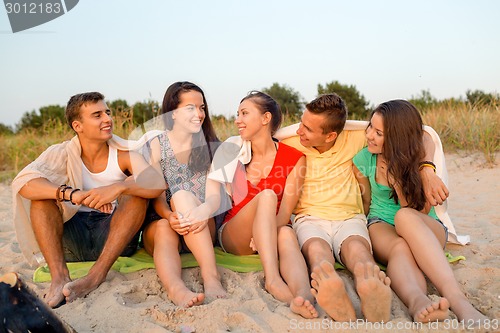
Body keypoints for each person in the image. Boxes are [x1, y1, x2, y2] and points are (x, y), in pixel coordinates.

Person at [12, 92, 164, 308]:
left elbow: (157, 182)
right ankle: (59, 277)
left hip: (113, 237)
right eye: (97, 115)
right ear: (78, 125)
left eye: (107, 112)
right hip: (72, 241)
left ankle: (96, 276)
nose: (107, 119)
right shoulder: (61, 153)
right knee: (42, 200)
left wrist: (118, 187)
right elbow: (24, 182)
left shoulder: (124, 155)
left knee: (135, 194)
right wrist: (75, 195)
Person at [352, 99, 487, 323]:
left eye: (378, 132)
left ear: (398, 138)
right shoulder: (364, 159)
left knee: (404, 216)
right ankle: (418, 302)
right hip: (381, 223)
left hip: (423, 223)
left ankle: (459, 301)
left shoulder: (419, 155)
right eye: (370, 128)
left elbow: (421, 210)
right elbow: (366, 203)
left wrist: (400, 179)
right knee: (400, 246)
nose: (369, 135)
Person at [199, 91, 318, 318]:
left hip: (271, 230)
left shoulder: (294, 159)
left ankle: (302, 296)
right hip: (235, 233)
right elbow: (212, 196)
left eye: (244, 113)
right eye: (237, 114)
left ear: (265, 119)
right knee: (267, 195)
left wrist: (265, 234)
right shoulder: (231, 149)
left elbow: (284, 213)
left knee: (286, 233)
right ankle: (272, 280)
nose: (237, 120)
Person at [141, 82, 226, 308]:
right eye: (191, 108)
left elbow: (214, 198)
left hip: (201, 225)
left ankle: (211, 278)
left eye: (202, 108)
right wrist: (169, 216)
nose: (199, 114)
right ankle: (177, 290)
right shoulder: (157, 145)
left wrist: (200, 212)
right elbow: (156, 193)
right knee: (162, 226)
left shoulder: (211, 147)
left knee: (181, 196)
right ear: (173, 112)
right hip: (167, 225)